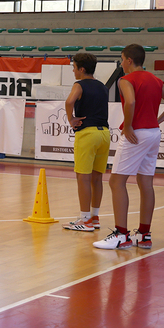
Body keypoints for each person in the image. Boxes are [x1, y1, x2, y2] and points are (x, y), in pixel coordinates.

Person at [93, 44, 164, 251]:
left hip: (136, 133)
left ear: (129, 60)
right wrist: (157, 120)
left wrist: (128, 126)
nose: (121, 64)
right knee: (146, 182)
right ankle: (144, 235)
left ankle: (121, 235)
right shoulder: (155, 80)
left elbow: (130, 102)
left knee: (116, 181)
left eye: (122, 59)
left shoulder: (126, 80)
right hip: (153, 133)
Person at [63, 53, 110, 232]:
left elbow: (69, 101)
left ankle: (85, 220)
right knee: (97, 178)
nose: (73, 71)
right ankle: (94, 217)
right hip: (104, 133)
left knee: (83, 177)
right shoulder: (103, 86)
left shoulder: (79, 84)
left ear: (81, 69)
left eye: (74, 67)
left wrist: (71, 119)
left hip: (88, 134)